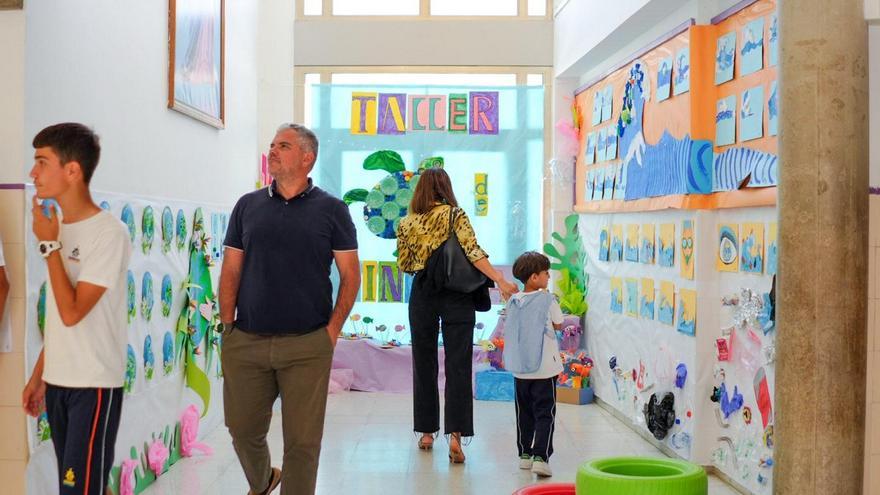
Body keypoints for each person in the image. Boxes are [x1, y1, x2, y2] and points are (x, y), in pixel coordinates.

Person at [219, 123, 360, 495]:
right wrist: (226, 325)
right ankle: (263, 479)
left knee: (302, 443)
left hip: (307, 345)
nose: (273, 151)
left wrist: (331, 333)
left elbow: (350, 275)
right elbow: (231, 267)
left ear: (307, 157)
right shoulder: (248, 205)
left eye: (283, 145)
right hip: (245, 340)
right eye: (272, 145)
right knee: (241, 428)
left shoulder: (332, 210)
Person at [21, 123, 132, 495]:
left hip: (93, 385)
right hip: (59, 382)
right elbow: (59, 318)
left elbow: (73, 312)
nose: (32, 173)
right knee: (69, 486)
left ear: (72, 170)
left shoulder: (109, 233)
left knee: (79, 490)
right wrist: (40, 375)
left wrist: (50, 247)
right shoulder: (57, 228)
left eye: (41, 162)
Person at [396, 167, 517, 464]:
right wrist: (499, 280)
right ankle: (456, 437)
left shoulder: (406, 222)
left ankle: (426, 432)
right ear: (445, 188)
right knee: (458, 365)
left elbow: (405, 264)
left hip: (423, 293)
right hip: (457, 295)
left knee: (423, 363)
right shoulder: (455, 214)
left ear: (421, 190)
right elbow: (473, 251)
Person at [502, 251, 563, 478]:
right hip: (545, 369)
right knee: (545, 413)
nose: (548, 277)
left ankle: (525, 455)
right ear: (534, 278)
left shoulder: (514, 301)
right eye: (546, 273)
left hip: (520, 370)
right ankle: (541, 457)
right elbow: (558, 324)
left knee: (524, 413)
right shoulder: (548, 299)